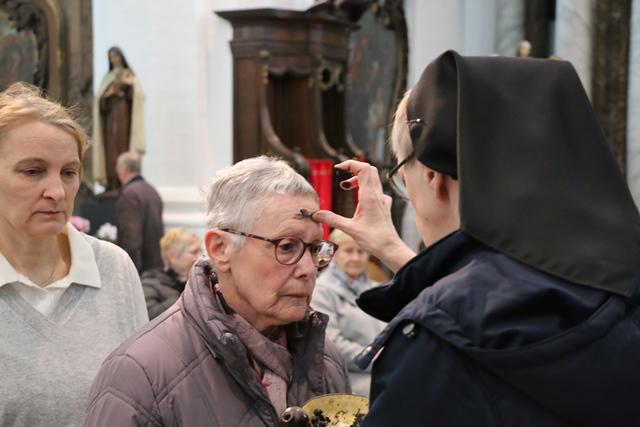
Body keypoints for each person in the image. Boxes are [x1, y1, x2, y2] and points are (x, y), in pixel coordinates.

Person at [312, 51, 640, 426]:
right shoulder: (618, 283)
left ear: (434, 176)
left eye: (404, 176)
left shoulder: (436, 343)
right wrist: (398, 255)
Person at [84, 156, 351, 426]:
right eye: (287, 246)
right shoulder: (141, 375)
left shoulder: (326, 360)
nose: (308, 269)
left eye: (316, 248)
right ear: (220, 249)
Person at [0, 83, 148, 426]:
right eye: (33, 171)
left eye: (69, 172)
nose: (56, 192)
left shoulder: (114, 268)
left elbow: (145, 399)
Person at [311, 228, 385, 397]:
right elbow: (330, 342)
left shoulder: (378, 289)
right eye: (348, 251)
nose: (356, 258)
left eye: (361, 251)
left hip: (381, 372)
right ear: (335, 254)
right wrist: (374, 357)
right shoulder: (321, 290)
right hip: (345, 379)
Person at [92, 46, 145, 191]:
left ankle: (122, 183)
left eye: (116, 56)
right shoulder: (108, 77)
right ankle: (111, 184)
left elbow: (137, 97)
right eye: (111, 57)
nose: (114, 59)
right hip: (109, 121)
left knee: (122, 148)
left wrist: (127, 88)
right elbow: (100, 102)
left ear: (121, 57)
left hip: (124, 118)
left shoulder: (129, 75)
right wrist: (107, 96)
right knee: (110, 152)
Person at [115, 150, 164, 273]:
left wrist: (130, 271)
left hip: (140, 269)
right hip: (156, 264)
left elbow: (131, 237)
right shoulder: (152, 190)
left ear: (123, 169)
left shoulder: (129, 194)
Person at [141, 227, 202, 319]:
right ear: (172, 257)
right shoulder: (151, 283)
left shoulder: (202, 280)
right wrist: (185, 297)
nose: (200, 257)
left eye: (201, 251)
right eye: (194, 252)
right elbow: (148, 316)